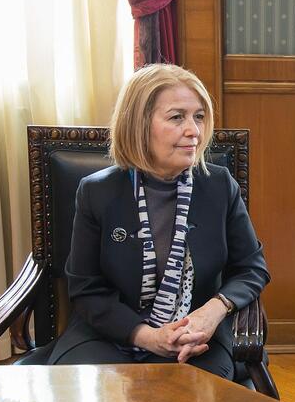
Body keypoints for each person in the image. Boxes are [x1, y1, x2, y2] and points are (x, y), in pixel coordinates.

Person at [49, 64, 269, 380]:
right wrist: (148, 336)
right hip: (108, 335)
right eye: (177, 117)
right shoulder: (97, 192)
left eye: (199, 116)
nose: (194, 130)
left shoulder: (219, 186)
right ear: (139, 125)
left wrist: (213, 311)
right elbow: (85, 288)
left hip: (194, 340)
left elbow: (252, 267)